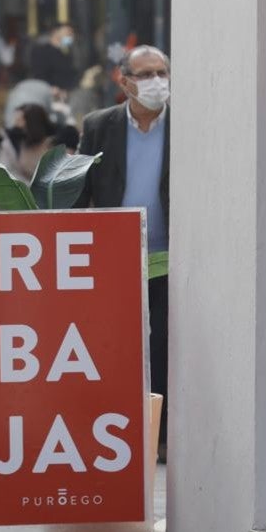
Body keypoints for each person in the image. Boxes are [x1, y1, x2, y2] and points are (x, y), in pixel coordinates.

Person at [75, 44, 170, 456]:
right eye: (146, 74)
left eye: (162, 72)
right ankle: (121, 427)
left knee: (164, 344)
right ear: (124, 80)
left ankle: (162, 435)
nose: (156, 82)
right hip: (116, 257)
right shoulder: (100, 126)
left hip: (170, 256)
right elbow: (80, 187)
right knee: (118, 346)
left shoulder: (187, 124)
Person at [0, 103, 58, 182]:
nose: (16, 124)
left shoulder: (50, 145)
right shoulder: (12, 141)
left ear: (32, 122)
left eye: (20, 120)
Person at [28, 23, 80, 93]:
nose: (71, 36)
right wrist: (50, 89)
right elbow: (39, 76)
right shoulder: (41, 51)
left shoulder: (68, 52)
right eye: (68, 33)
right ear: (55, 32)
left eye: (72, 33)